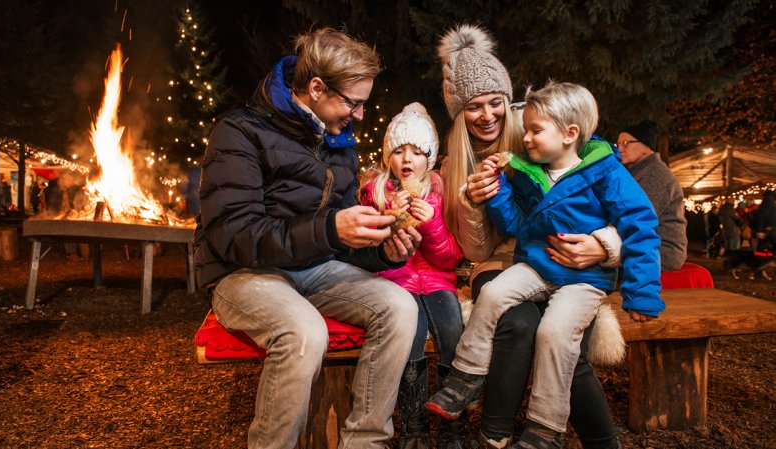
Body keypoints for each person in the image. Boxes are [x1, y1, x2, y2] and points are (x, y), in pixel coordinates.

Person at [192, 28, 421, 449]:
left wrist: (381, 249)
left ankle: (364, 442)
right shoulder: (240, 132)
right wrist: (332, 229)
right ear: (316, 88)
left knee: (400, 306)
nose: (360, 115)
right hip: (243, 273)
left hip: (314, 268)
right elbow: (233, 234)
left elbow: (339, 240)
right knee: (303, 330)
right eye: (354, 103)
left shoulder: (339, 146)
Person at [428, 81, 663, 449]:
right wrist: (496, 193)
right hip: (535, 264)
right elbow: (517, 226)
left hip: (583, 279)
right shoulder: (526, 170)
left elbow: (641, 226)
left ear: (570, 134)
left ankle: (545, 428)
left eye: (535, 131)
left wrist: (642, 294)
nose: (527, 138)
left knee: (555, 335)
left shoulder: (606, 172)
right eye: (528, 130)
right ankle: (465, 377)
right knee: (493, 294)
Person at [359, 103, 465, 449]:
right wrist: (390, 221)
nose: (408, 159)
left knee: (453, 332)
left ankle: (452, 429)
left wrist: (432, 224)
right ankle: (414, 428)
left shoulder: (442, 192)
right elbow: (370, 253)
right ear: (388, 155)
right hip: (397, 284)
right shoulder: (374, 193)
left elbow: (451, 258)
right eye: (400, 151)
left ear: (430, 158)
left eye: (418, 152)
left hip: (438, 283)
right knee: (411, 337)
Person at [617, 120, 688, 270]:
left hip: (663, 252)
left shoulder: (655, 174)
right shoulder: (638, 172)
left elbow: (634, 218)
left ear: (645, 145)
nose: (620, 149)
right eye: (618, 144)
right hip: (644, 245)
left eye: (625, 143)